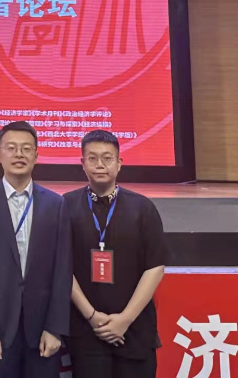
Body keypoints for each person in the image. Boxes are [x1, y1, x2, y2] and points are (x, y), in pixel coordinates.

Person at [0, 120, 72, 378]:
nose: (19, 154)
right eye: (11, 148)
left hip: (43, 331)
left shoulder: (55, 204)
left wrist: (55, 328)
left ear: (36, 155)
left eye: (26, 149)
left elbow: (63, 269)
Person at [64, 130, 169, 378]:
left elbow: (155, 267)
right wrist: (91, 316)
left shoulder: (142, 208)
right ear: (82, 163)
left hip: (134, 329)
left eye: (107, 158)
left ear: (119, 163)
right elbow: (61, 267)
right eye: (92, 158)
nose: (100, 164)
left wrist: (125, 319)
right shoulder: (65, 206)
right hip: (87, 330)